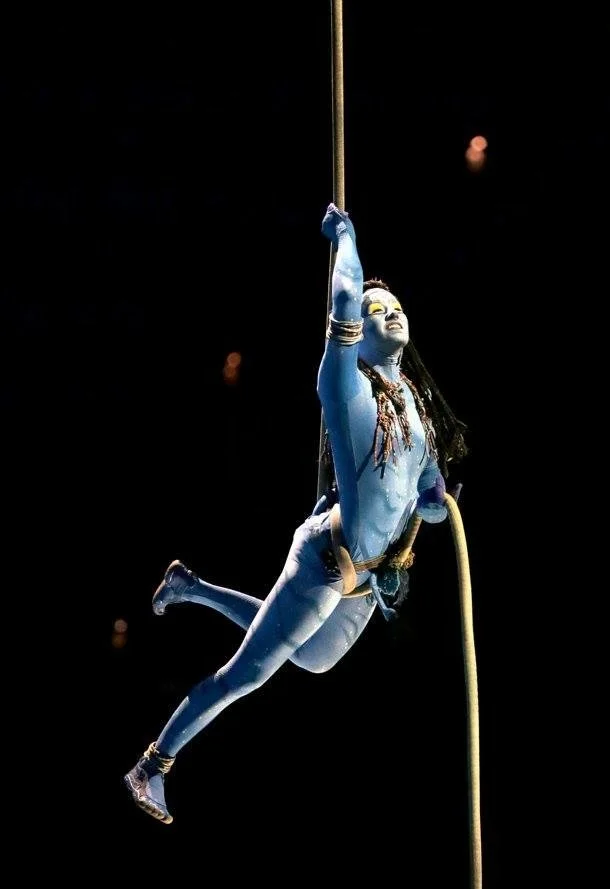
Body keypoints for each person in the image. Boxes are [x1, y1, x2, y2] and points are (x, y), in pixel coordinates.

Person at [124, 202, 468, 824]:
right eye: (375, 309)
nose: (388, 312)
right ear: (356, 330)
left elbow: (419, 491)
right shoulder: (347, 385)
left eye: (395, 306)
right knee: (246, 675)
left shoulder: (412, 403)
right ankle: (153, 763)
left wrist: (436, 498)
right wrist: (347, 239)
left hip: (364, 581)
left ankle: (192, 587)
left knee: (309, 656)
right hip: (324, 564)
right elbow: (343, 300)